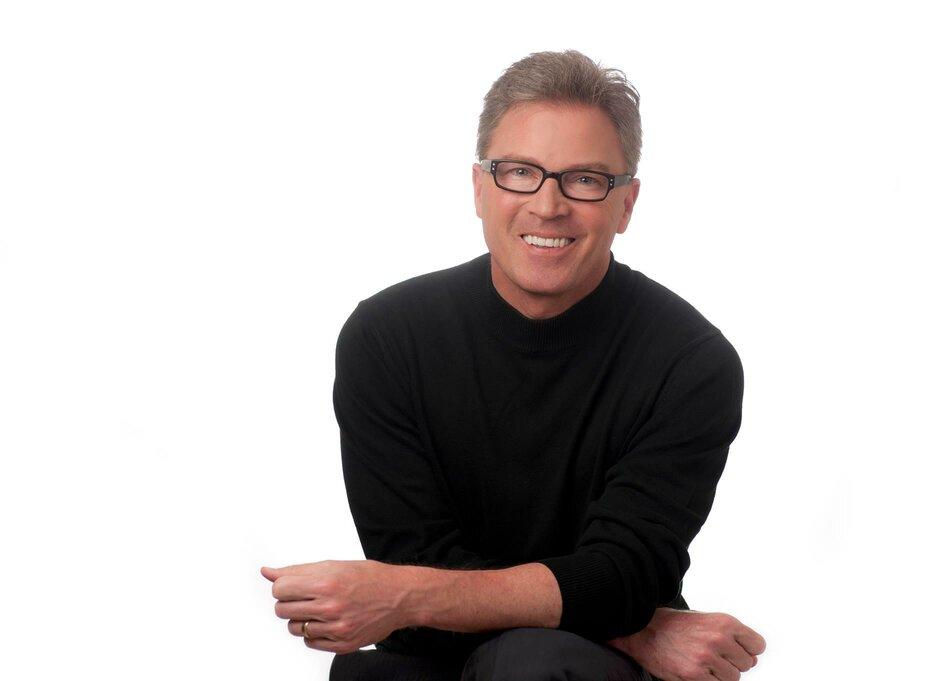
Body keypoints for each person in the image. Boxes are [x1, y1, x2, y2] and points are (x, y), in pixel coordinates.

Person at [261, 49, 766, 681]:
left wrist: (404, 594)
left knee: (532, 661)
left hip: (579, 669)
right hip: (453, 652)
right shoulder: (387, 338)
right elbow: (412, 566)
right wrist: (640, 632)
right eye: (520, 172)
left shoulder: (690, 364)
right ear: (480, 188)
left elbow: (622, 574)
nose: (548, 205)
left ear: (627, 204)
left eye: (585, 180)